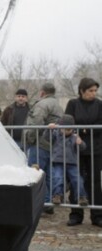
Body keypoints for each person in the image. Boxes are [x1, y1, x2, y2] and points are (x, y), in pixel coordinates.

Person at [64, 77, 102, 227]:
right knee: (75, 180)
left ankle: (97, 215)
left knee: (95, 182)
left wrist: (83, 129)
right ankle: (75, 214)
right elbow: (68, 122)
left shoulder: (99, 104)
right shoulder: (73, 104)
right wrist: (83, 129)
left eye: (95, 91)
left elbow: (100, 124)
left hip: (96, 149)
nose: (93, 93)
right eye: (91, 90)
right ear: (82, 90)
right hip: (76, 149)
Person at [25, 82, 63, 214]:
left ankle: (37, 204)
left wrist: (29, 139)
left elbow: (36, 123)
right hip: (51, 144)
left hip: (39, 143)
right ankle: (47, 203)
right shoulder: (58, 105)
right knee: (47, 175)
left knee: (35, 173)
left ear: (42, 92)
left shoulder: (42, 104)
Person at [48, 114, 88, 207]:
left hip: (72, 163)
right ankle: (57, 195)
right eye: (64, 129)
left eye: (68, 129)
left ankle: (82, 197)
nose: (66, 131)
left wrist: (80, 142)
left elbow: (83, 147)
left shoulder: (74, 136)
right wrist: (49, 129)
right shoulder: (56, 134)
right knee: (58, 178)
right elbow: (47, 138)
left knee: (77, 179)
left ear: (72, 128)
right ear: (60, 127)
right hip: (58, 162)